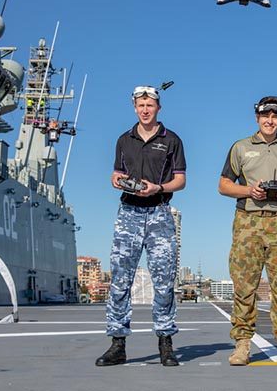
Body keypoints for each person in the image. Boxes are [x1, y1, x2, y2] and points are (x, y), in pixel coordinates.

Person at [95, 85, 186, 367]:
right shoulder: (125, 140)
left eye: (150, 105)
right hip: (129, 213)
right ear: (134, 107)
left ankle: (165, 343)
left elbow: (181, 180)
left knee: (164, 281)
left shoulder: (171, 140)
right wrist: (116, 178)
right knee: (120, 279)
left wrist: (157, 186)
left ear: (158, 107)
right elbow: (118, 172)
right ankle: (117, 344)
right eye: (140, 105)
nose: (145, 110)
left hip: (159, 212)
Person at [218, 96, 277, 366]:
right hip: (248, 221)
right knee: (245, 286)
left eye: (275, 116)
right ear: (257, 117)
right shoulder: (241, 147)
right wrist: (249, 190)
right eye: (265, 116)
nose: (270, 120)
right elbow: (223, 184)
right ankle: (242, 345)